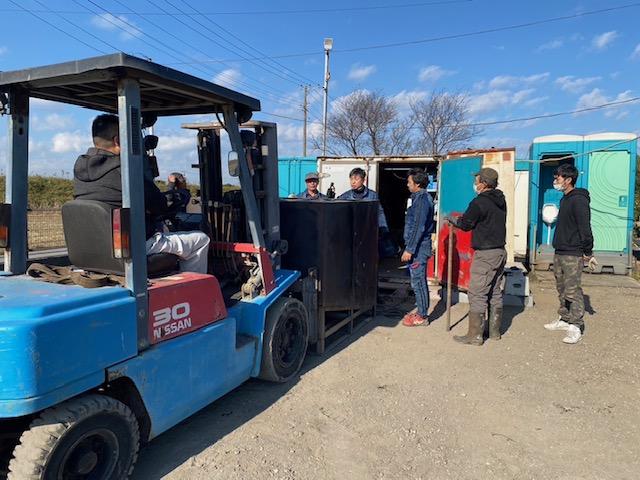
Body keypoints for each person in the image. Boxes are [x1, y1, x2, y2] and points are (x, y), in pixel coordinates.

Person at [74, 114, 210, 273]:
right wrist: (181, 194)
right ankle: (191, 288)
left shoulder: (81, 172)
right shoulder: (126, 171)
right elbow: (161, 206)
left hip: (94, 250)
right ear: (118, 140)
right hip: (134, 248)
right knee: (201, 240)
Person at [448, 167, 507, 346]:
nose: (475, 183)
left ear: (484, 183)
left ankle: (475, 336)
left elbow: (466, 224)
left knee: (477, 293)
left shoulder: (479, 202)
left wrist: (452, 219)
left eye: (477, 180)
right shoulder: (501, 199)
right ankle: (494, 331)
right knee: (495, 291)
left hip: (486, 254)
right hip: (500, 251)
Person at [543, 164, 593, 344]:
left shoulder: (579, 200)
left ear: (568, 180)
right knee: (561, 288)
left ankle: (576, 325)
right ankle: (564, 318)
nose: (555, 181)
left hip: (573, 252)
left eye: (558, 178)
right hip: (560, 250)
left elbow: (585, 227)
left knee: (573, 290)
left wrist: (588, 251)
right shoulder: (565, 199)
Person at [400, 169, 435, 327]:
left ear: (418, 184)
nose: (407, 185)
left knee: (418, 281)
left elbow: (418, 227)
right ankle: (422, 312)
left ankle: (422, 316)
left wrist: (410, 249)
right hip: (418, 247)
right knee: (418, 280)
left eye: (409, 182)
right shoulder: (418, 198)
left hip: (419, 248)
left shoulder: (422, 200)